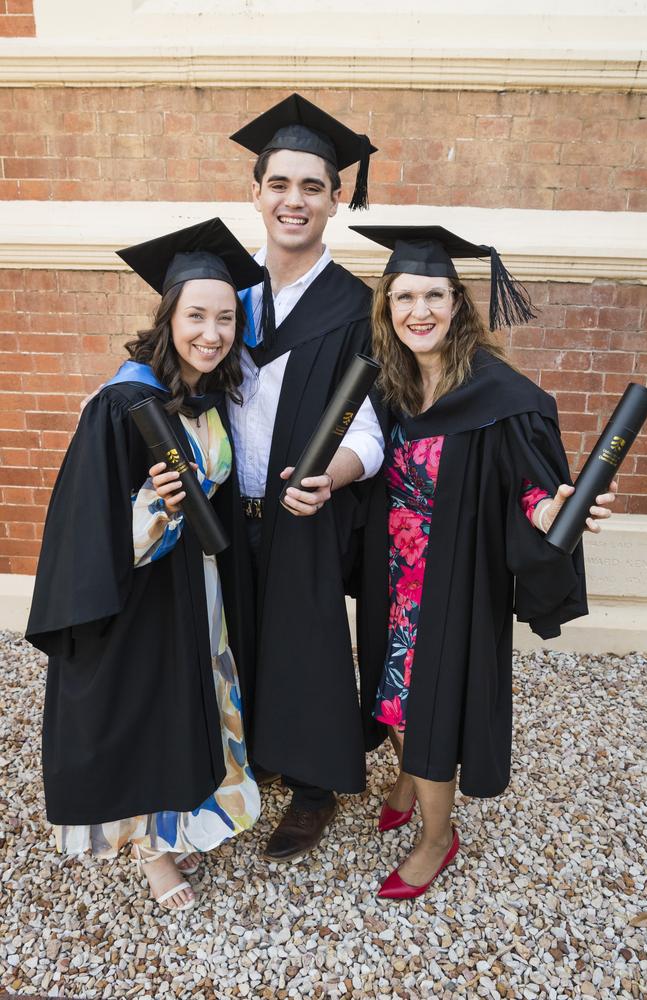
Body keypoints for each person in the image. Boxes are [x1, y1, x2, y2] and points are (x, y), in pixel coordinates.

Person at [350, 224, 618, 900]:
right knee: (394, 692)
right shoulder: (392, 383)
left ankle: (437, 838)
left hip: (454, 578)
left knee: (433, 703)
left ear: (458, 303)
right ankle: (409, 776)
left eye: (434, 296)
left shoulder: (499, 394)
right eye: (404, 297)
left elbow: (529, 487)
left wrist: (551, 510)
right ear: (387, 308)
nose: (419, 311)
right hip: (395, 575)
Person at [25, 218, 264, 912]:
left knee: (194, 708)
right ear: (169, 317)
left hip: (198, 587)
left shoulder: (203, 399)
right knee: (150, 717)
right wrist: (151, 508)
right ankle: (152, 853)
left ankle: (182, 820)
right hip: (141, 595)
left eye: (225, 318)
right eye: (197, 316)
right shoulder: (122, 406)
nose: (212, 333)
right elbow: (87, 527)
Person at [221, 93, 386, 861]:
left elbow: (373, 427)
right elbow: (169, 365)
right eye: (279, 183)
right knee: (232, 634)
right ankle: (247, 758)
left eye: (312, 186)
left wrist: (336, 475)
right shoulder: (225, 293)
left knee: (308, 642)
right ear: (255, 192)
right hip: (226, 507)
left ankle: (314, 787)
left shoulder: (355, 306)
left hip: (305, 508)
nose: (294, 200)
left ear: (337, 198)